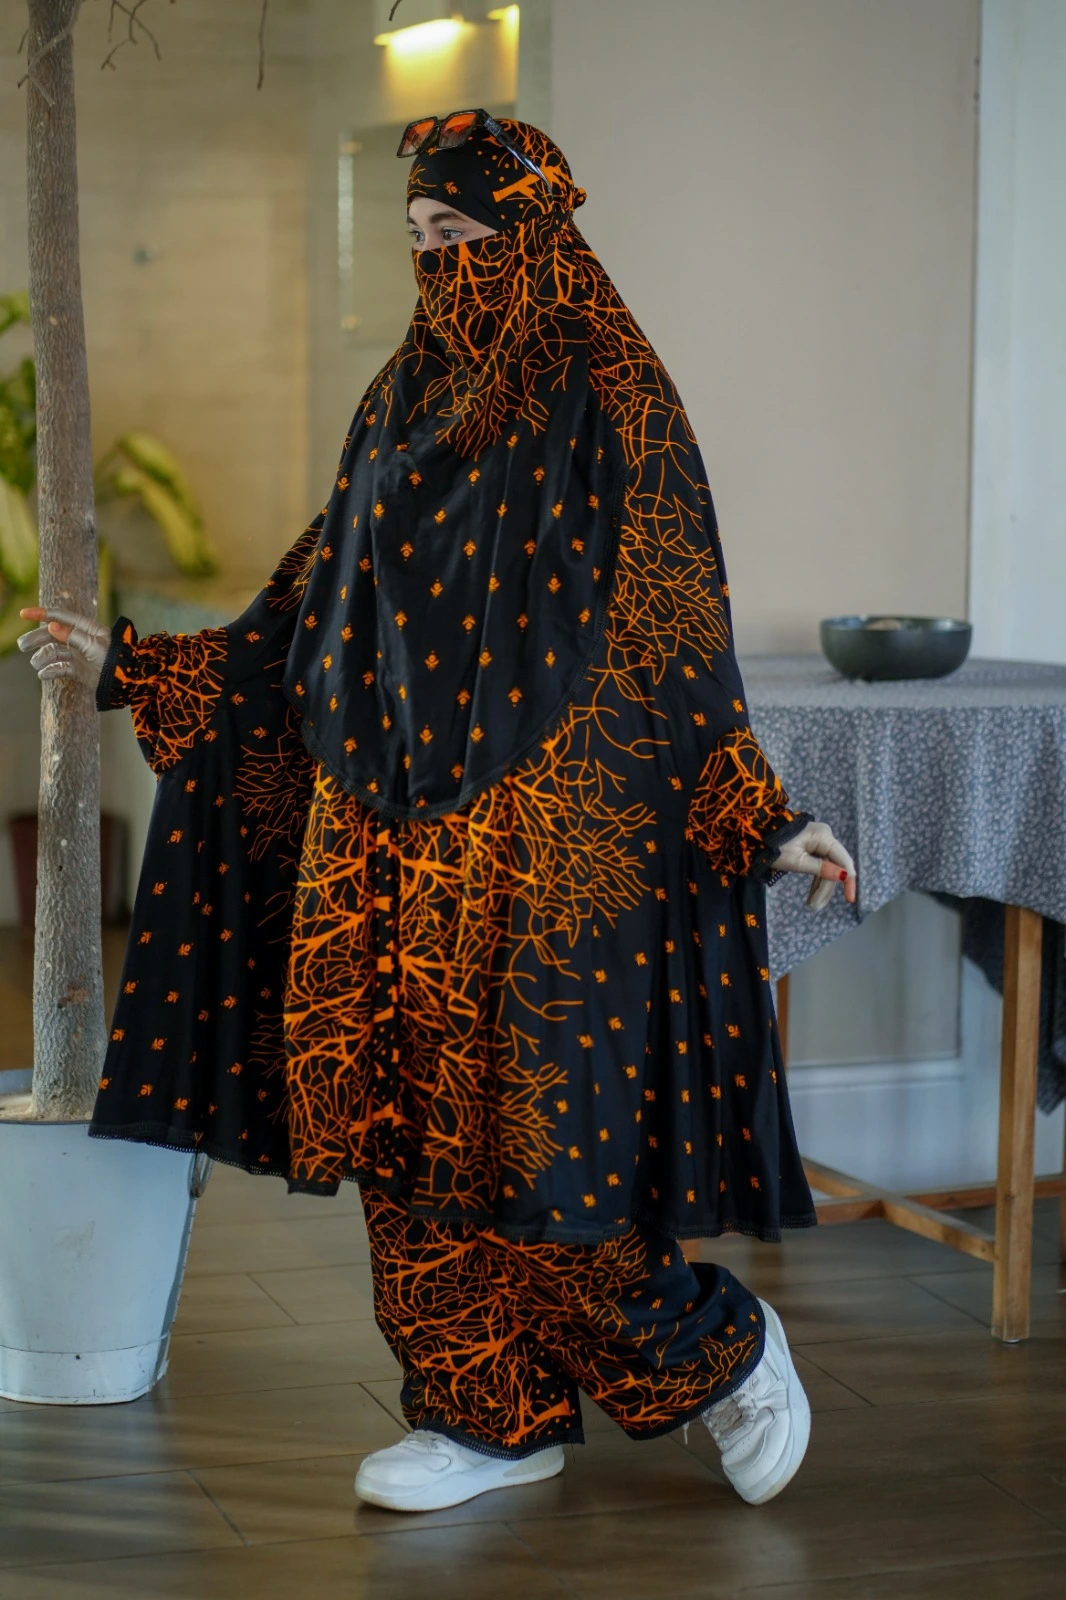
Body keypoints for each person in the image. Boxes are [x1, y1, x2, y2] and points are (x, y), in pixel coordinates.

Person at [20, 112, 856, 1516]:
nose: (436, 262)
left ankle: (715, 1351)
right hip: (382, 827)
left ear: (531, 234)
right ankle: (480, 1408)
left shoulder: (614, 394)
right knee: (398, 1133)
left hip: (551, 838)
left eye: (458, 234)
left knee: (545, 1146)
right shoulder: (403, 393)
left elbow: (672, 617)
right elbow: (318, 593)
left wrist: (756, 813)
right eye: (418, 237)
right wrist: (150, 670)